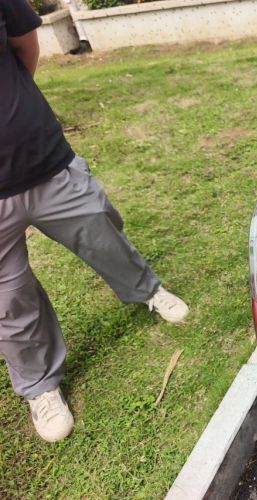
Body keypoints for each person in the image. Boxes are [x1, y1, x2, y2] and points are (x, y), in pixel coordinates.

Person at [1, 0, 189, 443]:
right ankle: (40, 386)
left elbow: (25, 45)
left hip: (44, 160)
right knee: (8, 299)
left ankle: (147, 290)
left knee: (101, 233)